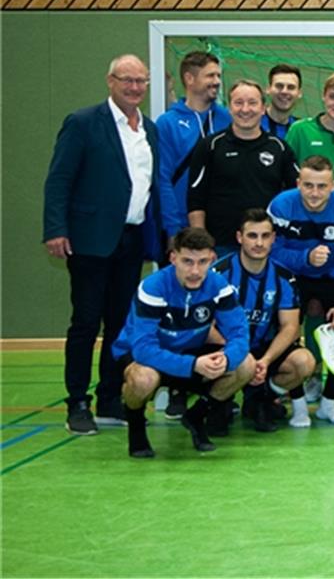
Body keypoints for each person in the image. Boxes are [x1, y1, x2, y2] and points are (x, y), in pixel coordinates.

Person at [43, 54, 160, 435]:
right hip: (90, 240)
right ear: (110, 81)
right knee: (86, 322)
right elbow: (59, 179)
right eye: (127, 80)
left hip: (132, 238)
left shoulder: (150, 129)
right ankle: (77, 402)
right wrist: (55, 229)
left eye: (141, 81)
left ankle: (111, 396)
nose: (134, 87)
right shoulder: (82, 123)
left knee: (120, 324)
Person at [113, 227, 255, 458]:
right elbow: (143, 349)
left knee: (245, 364)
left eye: (202, 262)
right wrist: (192, 365)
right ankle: (136, 427)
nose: (195, 271)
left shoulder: (219, 286)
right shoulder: (153, 287)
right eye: (187, 261)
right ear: (173, 258)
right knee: (142, 379)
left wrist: (226, 358)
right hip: (150, 357)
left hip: (193, 353)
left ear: (212, 259)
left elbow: (240, 334)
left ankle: (196, 416)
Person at [267, 155, 334, 425]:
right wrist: (306, 258)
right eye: (308, 185)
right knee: (286, 334)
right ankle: (299, 406)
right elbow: (271, 252)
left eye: (322, 187)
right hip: (292, 275)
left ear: (333, 186)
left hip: (332, 275)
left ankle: (328, 403)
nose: (314, 193)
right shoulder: (280, 207)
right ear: (298, 183)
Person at [215, 210, 316, 432]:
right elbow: (206, 327)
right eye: (252, 236)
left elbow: (290, 327)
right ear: (239, 238)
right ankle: (216, 402)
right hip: (225, 348)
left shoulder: (284, 278)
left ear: (273, 239)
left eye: (265, 236)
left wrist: (266, 361)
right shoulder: (218, 274)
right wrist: (239, 353)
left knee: (304, 361)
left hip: (264, 351)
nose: (259, 243)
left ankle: (261, 399)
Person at [186, 80, 299, 253]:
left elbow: (297, 193)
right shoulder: (210, 146)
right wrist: (203, 246)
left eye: (252, 103)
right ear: (229, 108)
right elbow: (195, 198)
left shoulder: (280, 148)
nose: (245, 109)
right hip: (220, 245)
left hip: (266, 246)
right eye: (238, 103)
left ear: (263, 108)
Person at [156, 51, 231, 246]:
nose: (216, 81)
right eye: (210, 75)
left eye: (218, 76)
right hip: (182, 225)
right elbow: (162, 178)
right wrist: (172, 228)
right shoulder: (167, 123)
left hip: (221, 225)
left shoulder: (227, 119)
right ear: (189, 78)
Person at [284, 72, 334, 199]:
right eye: (333, 97)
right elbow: (286, 170)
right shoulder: (300, 130)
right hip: (306, 210)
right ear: (323, 96)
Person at [262, 63, 302, 139]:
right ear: (268, 89)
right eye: (279, 86)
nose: (284, 91)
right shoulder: (252, 122)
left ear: (299, 93)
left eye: (291, 87)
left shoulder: (300, 129)